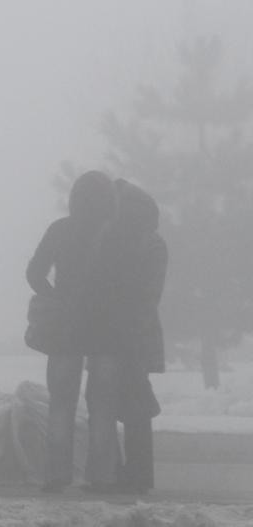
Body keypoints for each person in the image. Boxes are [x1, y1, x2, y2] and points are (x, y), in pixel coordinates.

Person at [25, 169, 116, 493]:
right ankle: (102, 476)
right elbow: (128, 281)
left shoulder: (60, 229)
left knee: (61, 405)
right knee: (103, 406)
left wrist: (55, 298)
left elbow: (34, 272)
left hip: (66, 329)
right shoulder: (115, 233)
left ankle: (57, 475)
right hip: (106, 328)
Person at [93, 179, 167, 494]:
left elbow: (105, 286)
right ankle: (138, 473)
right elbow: (149, 294)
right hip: (139, 332)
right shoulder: (152, 242)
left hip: (118, 332)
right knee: (135, 402)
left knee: (112, 402)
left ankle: (123, 473)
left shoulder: (113, 237)